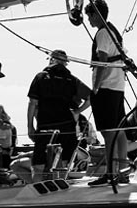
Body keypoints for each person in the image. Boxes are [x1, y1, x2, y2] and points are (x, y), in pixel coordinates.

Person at [26, 49, 92, 177]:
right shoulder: (72, 80)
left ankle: (38, 187)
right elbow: (91, 98)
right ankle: (59, 186)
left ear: (51, 60)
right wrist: (77, 111)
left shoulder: (41, 77)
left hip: (45, 124)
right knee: (63, 164)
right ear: (65, 63)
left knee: (38, 165)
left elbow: (32, 103)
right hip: (67, 125)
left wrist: (30, 126)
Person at [86, 0, 130, 185]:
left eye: (89, 16)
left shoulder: (103, 33)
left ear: (96, 15)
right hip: (118, 87)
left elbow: (102, 60)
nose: (88, 20)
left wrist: (95, 87)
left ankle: (110, 173)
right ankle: (123, 171)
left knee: (108, 132)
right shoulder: (113, 31)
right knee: (119, 131)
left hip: (106, 87)